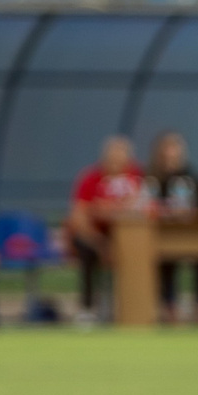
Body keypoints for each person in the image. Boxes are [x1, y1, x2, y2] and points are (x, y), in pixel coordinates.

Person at [65, 136, 151, 325]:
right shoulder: (90, 178)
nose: (115, 163)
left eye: (121, 158)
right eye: (111, 158)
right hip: (94, 237)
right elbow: (78, 217)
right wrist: (102, 244)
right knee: (86, 251)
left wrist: (111, 208)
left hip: (129, 237)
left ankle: (138, 310)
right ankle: (87, 309)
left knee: (144, 252)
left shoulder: (138, 177)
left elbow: (144, 206)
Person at [149, 132, 198, 325]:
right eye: (168, 148)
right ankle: (170, 309)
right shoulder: (153, 177)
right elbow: (147, 203)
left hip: (189, 232)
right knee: (165, 259)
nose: (172, 153)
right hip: (159, 234)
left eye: (176, 148)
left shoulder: (190, 176)